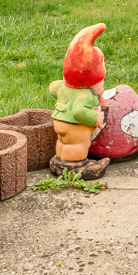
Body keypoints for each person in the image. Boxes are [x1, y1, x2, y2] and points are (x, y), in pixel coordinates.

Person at [48, 23, 111, 179]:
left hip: (59, 122)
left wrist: (64, 99)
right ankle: (75, 164)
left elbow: (52, 88)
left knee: (63, 142)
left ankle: (60, 159)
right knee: (77, 144)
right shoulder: (85, 95)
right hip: (74, 127)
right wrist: (96, 118)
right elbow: (78, 111)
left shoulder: (62, 86)